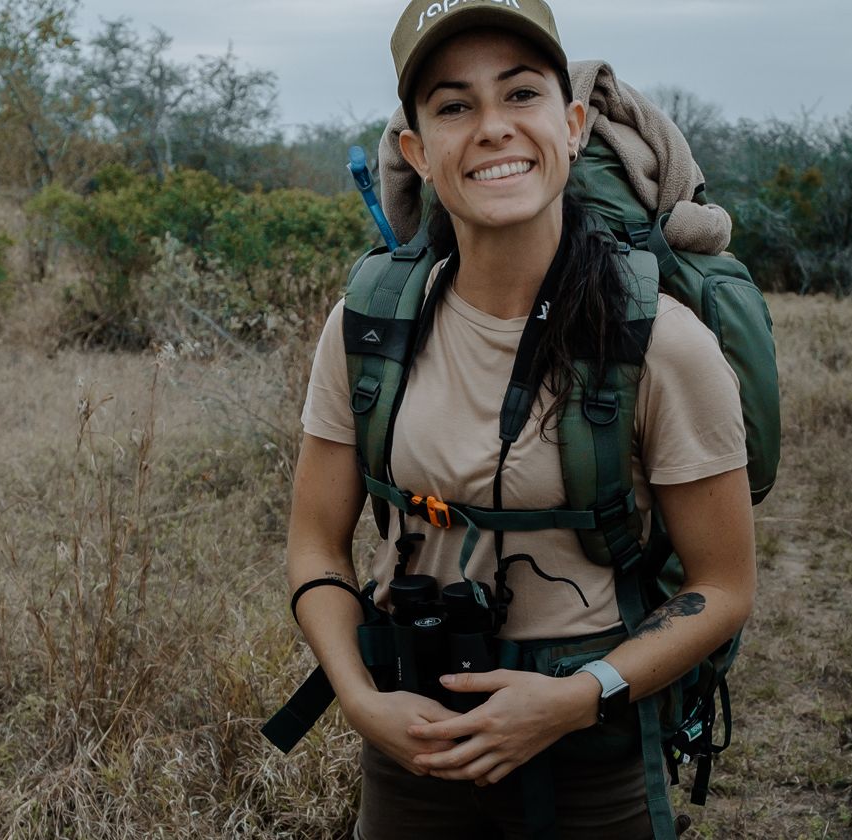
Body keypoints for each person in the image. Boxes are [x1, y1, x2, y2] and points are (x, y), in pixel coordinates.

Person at [283, 1, 756, 836]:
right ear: (417, 152)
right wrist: (361, 701)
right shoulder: (366, 325)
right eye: (455, 106)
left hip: (593, 747)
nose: (493, 129)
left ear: (571, 126)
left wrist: (574, 699)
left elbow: (723, 588)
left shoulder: (661, 344)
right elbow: (316, 542)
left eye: (521, 95)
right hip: (411, 740)